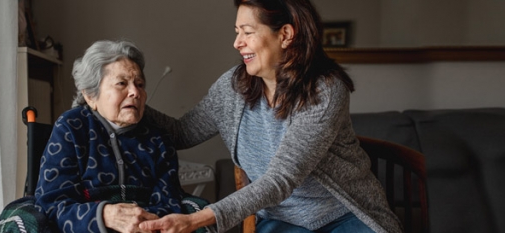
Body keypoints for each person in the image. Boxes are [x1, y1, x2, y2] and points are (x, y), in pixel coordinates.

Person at [139, 0, 402, 232]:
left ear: (285, 34)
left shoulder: (325, 90)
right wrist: (130, 101)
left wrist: (196, 220)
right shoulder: (232, 88)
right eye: (237, 32)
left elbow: (281, 180)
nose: (237, 42)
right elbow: (180, 133)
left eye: (248, 32)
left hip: (344, 215)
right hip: (282, 221)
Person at [34, 40, 212, 233]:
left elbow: (168, 201)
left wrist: (141, 224)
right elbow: (53, 202)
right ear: (90, 96)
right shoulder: (71, 128)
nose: (135, 92)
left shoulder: (157, 137)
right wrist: (103, 215)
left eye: (140, 84)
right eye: (121, 83)